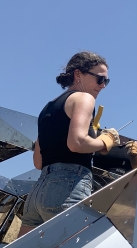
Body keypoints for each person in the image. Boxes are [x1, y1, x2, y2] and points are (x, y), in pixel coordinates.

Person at [18, 51, 122, 237]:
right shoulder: (84, 98)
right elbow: (77, 143)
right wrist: (105, 141)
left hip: (38, 191)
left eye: (106, 81)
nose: (103, 86)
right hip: (67, 186)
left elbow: (38, 162)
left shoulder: (47, 108)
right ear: (78, 74)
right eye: (100, 79)